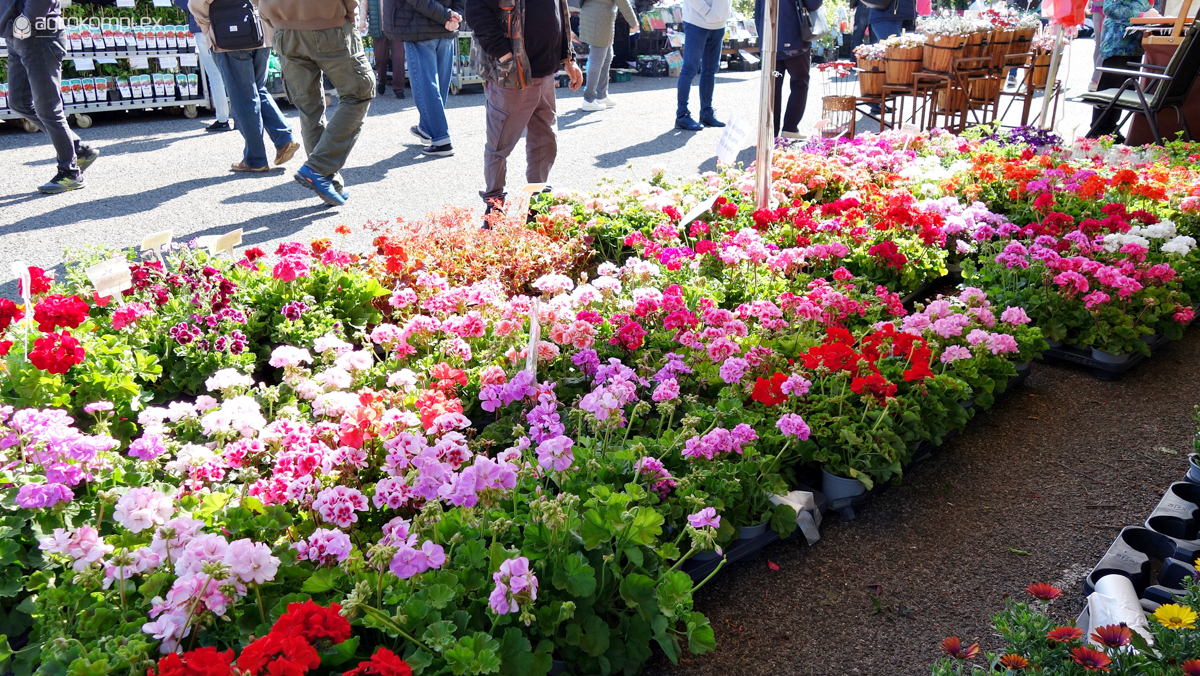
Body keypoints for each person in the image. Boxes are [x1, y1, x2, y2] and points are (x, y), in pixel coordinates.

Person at [465, 0, 583, 212]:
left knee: (545, 143)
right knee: (500, 145)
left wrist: (569, 57)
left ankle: (537, 207)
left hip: (545, 73)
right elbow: (477, 10)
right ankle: (494, 211)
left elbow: (559, 10)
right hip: (511, 74)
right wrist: (503, 53)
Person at [259, 0, 376, 207]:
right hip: (329, 24)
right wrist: (350, 13)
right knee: (359, 93)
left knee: (309, 106)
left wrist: (271, 16)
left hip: (284, 28)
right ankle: (320, 169)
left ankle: (328, 181)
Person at [190, 0, 301, 173]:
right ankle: (284, 139)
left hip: (229, 34)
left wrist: (208, 31)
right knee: (257, 89)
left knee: (244, 97)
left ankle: (255, 159)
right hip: (261, 30)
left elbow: (198, 5)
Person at [1, 0, 99, 194]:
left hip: (39, 36)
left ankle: (70, 173)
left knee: (48, 108)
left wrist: (23, 26)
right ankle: (78, 148)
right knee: (18, 102)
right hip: (16, 36)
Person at [385, 0, 464, 156]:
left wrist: (448, 16)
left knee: (426, 85)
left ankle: (441, 139)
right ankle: (427, 129)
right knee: (438, 85)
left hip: (419, 28)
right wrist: (456, 16)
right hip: (446, 29)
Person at [1086, 0, 1151, 140]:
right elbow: (1110, 8)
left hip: (1135, 46)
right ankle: (1099, 130)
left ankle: (1112, 129)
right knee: (1110, 88)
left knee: (1123, 91)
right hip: (1117, 44)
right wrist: (1142, 15)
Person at [755, 0, 817, 138]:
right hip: (793, 36)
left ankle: (771, 132)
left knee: (773, 88)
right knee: (799, 83)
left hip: (769, 38)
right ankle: (790, 128)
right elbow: (814, 4)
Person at [175, 0, 232, 131]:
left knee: (215, 74)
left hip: (203, 27)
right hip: (227, 24)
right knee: (232, 71)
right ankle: (240, 119)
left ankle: (223, 119)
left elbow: (185, 3)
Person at [676, 0, 732, 131]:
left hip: (718, 23)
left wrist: (723, 14)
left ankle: (706, 112)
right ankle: (682, 115)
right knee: (690, 68)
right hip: (697, 21)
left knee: (710, 69)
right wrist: (708, 12)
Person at [578, 0, 637, 111]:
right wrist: (634, 22)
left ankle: (601, 95)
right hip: (601, 18)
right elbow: (623, 2)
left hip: (590, 13)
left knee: (607, 56)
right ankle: (589, 99)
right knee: (597, 59)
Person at [370, 0, 406, 98]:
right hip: (379, 28)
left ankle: (399, 89)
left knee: (398, 58)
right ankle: (382, 81)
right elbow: (365, 4)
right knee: (380, 58)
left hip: (397, 28)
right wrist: (362, 21)